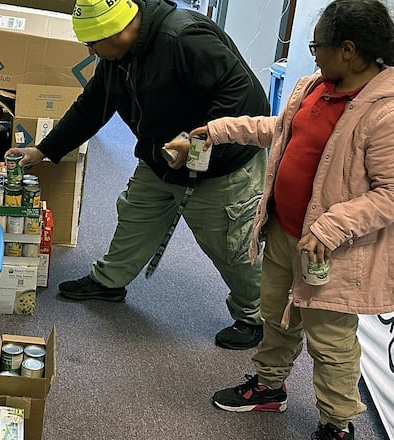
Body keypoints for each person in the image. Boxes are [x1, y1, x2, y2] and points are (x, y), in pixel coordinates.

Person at [165, 0, 394, 437]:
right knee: (277, 318)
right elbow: (278, 129)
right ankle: (270, 387)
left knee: (331, 345)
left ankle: (337, 424)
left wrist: (330, 227)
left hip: (333, 252)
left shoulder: (385, 112)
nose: (312, 54)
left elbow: (390, 194)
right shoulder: (313, 87)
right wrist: (215, 130)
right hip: (285, 234)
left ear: (347, 49)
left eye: (317, 45)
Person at [4, 0, 269, 349]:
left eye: (94, 44)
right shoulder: (119, 57)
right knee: (136, 216)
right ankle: (108, 282)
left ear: (119, 31)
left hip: (220, 165)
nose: (90, 51)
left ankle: (256, 316)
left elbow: (245, 96)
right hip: (160, 156)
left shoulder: (184, 38)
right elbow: (92, 105)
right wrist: (44, 150)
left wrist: (197, 139)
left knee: (231, 245)